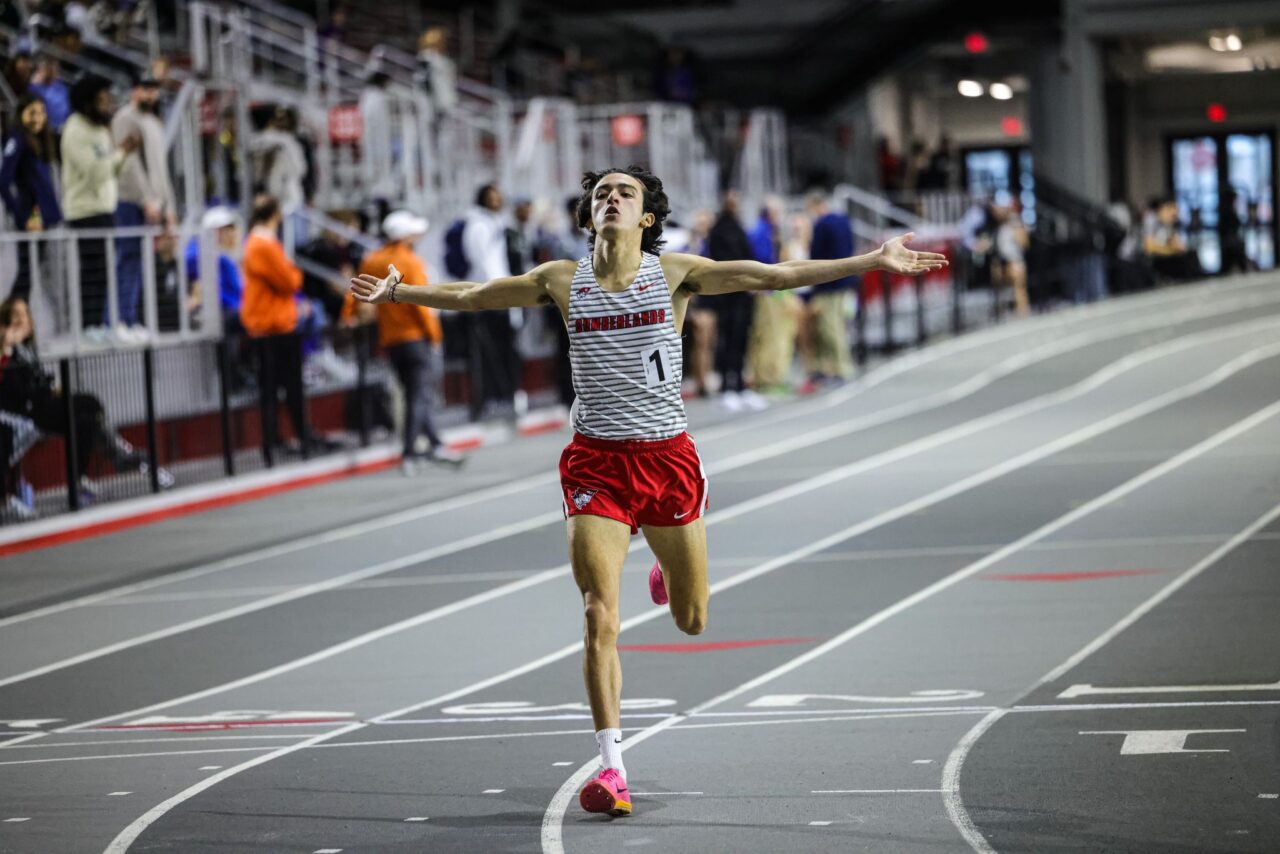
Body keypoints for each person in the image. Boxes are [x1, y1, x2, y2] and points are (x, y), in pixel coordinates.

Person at [350, 165, 946, 817]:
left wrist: (873, 259)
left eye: (623, 193)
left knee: (693, 618)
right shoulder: (560, 280)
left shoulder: (674, 275)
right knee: (597, 615)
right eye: (600, 193)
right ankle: (613, 769)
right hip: (594, 466)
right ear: (588, 216)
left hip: (667, 462)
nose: (610, 199)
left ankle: (664, 562)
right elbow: (473, 295)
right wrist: (402, 291)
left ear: (647, 219)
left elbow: (773, 278)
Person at [0, 296, 173, 497]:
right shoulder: (7, 348)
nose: (22, 322)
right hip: (24, 412)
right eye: (15, 316)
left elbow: (37, 380)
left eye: (25, 315)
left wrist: (52, 386)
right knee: (87, 403)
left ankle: (82, 477)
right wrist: (7, 341)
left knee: (86, 420)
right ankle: (120, 454)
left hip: (43, 403)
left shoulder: (28, 349)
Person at [356, 210, 463, 473]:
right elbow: (421, 304)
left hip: (390, 339)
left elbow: (357, 291)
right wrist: (435, 336)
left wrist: (350, 315)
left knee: (414, 393)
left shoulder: (371, 260)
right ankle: (410, 453)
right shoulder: (411, 262)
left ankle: (435, 443)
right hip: (416, 338)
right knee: (419, 396)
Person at [62, 73, 139, 338]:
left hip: (106, 208)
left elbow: (111, 171)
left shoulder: (99, 130)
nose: (107, 105)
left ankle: (102, 325)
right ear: (87, 102)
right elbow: (95, 172)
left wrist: (124, 155)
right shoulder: (74, 130)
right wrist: (121, 153)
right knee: (92, 273)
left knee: (106, 272)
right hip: (84, 212)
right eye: (102, 100)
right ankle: (87, 327)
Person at [240, 194, 312, 458]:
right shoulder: (264, 244)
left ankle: (278, 441)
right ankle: (293, 441)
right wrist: (295, 274)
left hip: (267, 325)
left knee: (271, 390)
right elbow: (290, 280)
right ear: (276, 215)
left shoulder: (256, 242)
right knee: (287, 388)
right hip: (275, 326)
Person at [112, 74, 175, 338]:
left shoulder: (153, 122)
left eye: (154, 90)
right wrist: (147, 199)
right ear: (135, 91)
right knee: (127, 258)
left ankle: (130, 319)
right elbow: (130, 166)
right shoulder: (125, 118)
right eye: (146, 89)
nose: (151, 95)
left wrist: (168, 206)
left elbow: (161, 169)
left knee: (138, 262)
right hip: (130, 200)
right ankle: (119, 320)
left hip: (154, 202)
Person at [1, 95, 63, 301]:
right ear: (22, 114)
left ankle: (18, 324)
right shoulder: (17, 139)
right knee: (26, 274)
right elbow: (3, 179)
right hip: (31, 217)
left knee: (30, 274)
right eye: (32, 113)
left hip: (44, 217)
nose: (38, 118)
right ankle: (10, 324)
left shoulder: (41, 142)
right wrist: (20, 212)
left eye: (42, 113)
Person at [707, 190, 763, 411]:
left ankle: (740, 385)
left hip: (742, 295)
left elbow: (747, 257)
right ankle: (726, 387)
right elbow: (723, 262)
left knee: (740, 340)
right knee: (727, 341)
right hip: (727, 296)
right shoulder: (720, 229)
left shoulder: (738, 227)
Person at [805, 189, 857, 384]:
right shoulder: (843, 220)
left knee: (830, 327)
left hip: (828, 284)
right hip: (844, 281)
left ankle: (841, 368)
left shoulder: (822, 224)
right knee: (837, 325)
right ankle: (836, 366)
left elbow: (816, 257)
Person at [28, 53, 71, 133]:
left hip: (65, 128)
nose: (51, 69)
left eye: (54, 66)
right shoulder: (35, 88)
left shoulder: (62, 86)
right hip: (47, 130)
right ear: (41, 69)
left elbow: (68, 107)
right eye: (47, 66)